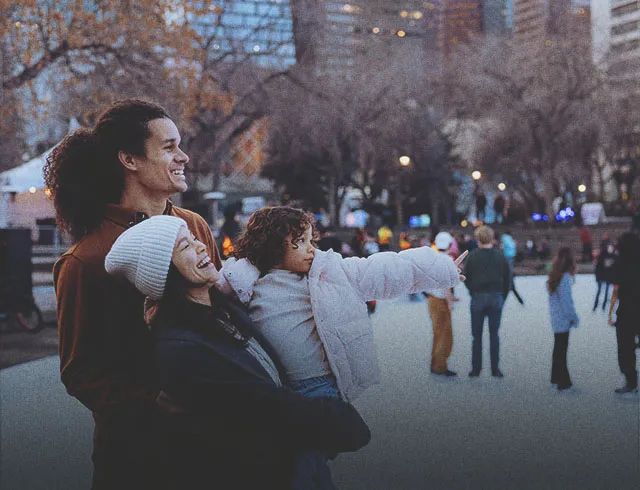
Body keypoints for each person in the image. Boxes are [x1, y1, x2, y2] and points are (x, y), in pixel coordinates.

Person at [104, 215, 371, 488]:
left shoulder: (225, 308)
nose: (200, 247)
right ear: (164, 273)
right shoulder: (182, 348)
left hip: (296, 461)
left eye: (195, 239)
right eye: (185, 247)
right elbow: (265, 406)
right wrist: (340, 424)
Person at [43, 99, 222, 489]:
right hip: (139, 459)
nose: (184, 157)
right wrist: (156, 405)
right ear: (129, 160)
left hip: (219, 446)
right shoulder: (85, 260)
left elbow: (227, 309)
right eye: (169, 147)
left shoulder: (194, 225)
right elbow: (81, 372)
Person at [216, 206, 464, 488]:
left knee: (304, 461)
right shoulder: (245, 282)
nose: (311, 249)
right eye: (300, 243)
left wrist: (442, 269)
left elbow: (383, 269)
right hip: (279, 391)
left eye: (311, 240)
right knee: (302, 464)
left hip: (320, 388)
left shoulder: (328, 273)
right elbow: (211, 291)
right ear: (272, 247)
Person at [463, 226, 511, 378]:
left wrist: (472, 290)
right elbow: (508, 278)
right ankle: (495, 368)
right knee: (494, 334)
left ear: (478, 239)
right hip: (496, 297)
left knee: (476, 336)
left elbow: (466, 277)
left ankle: (476, 368)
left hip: (477, 297)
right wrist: (502, 296)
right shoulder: (500, 256)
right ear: (492, 238)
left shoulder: (472, 256)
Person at [608, 232, 640, 394]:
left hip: (627, 310)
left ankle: (631, 380)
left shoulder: (620, 263)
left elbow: (616, 288)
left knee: (625, 347)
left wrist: (611, 311)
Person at [423, 231, 459, 377]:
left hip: (432, 299)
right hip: (441, 301)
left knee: (437, 333)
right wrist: (450, 301)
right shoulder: (448, 260)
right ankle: (440, 366)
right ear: (450, 245)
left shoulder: (433, 259)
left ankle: (435, 363)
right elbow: (446, 285)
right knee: (445, 335)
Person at [547, 247, 579, 391]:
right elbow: (567, 302)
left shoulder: (555, 276)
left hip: (556, 318)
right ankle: (563, 381)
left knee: (558, 348)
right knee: (561, 350)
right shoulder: (564, 278)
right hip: (563, 319)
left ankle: (555, 377)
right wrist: (573, 318)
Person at [500, 230, 524, 305]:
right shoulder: (510, 240)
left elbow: (504, 247)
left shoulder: (504, 238)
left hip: (507, 256)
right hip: (511, 257)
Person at [593, 233, 615, 312]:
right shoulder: (607, 249)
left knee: (601, 290)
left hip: (603, 273)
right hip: (605, 273)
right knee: (603, 290)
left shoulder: (603, 249)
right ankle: (601, 306)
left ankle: (599, 306)